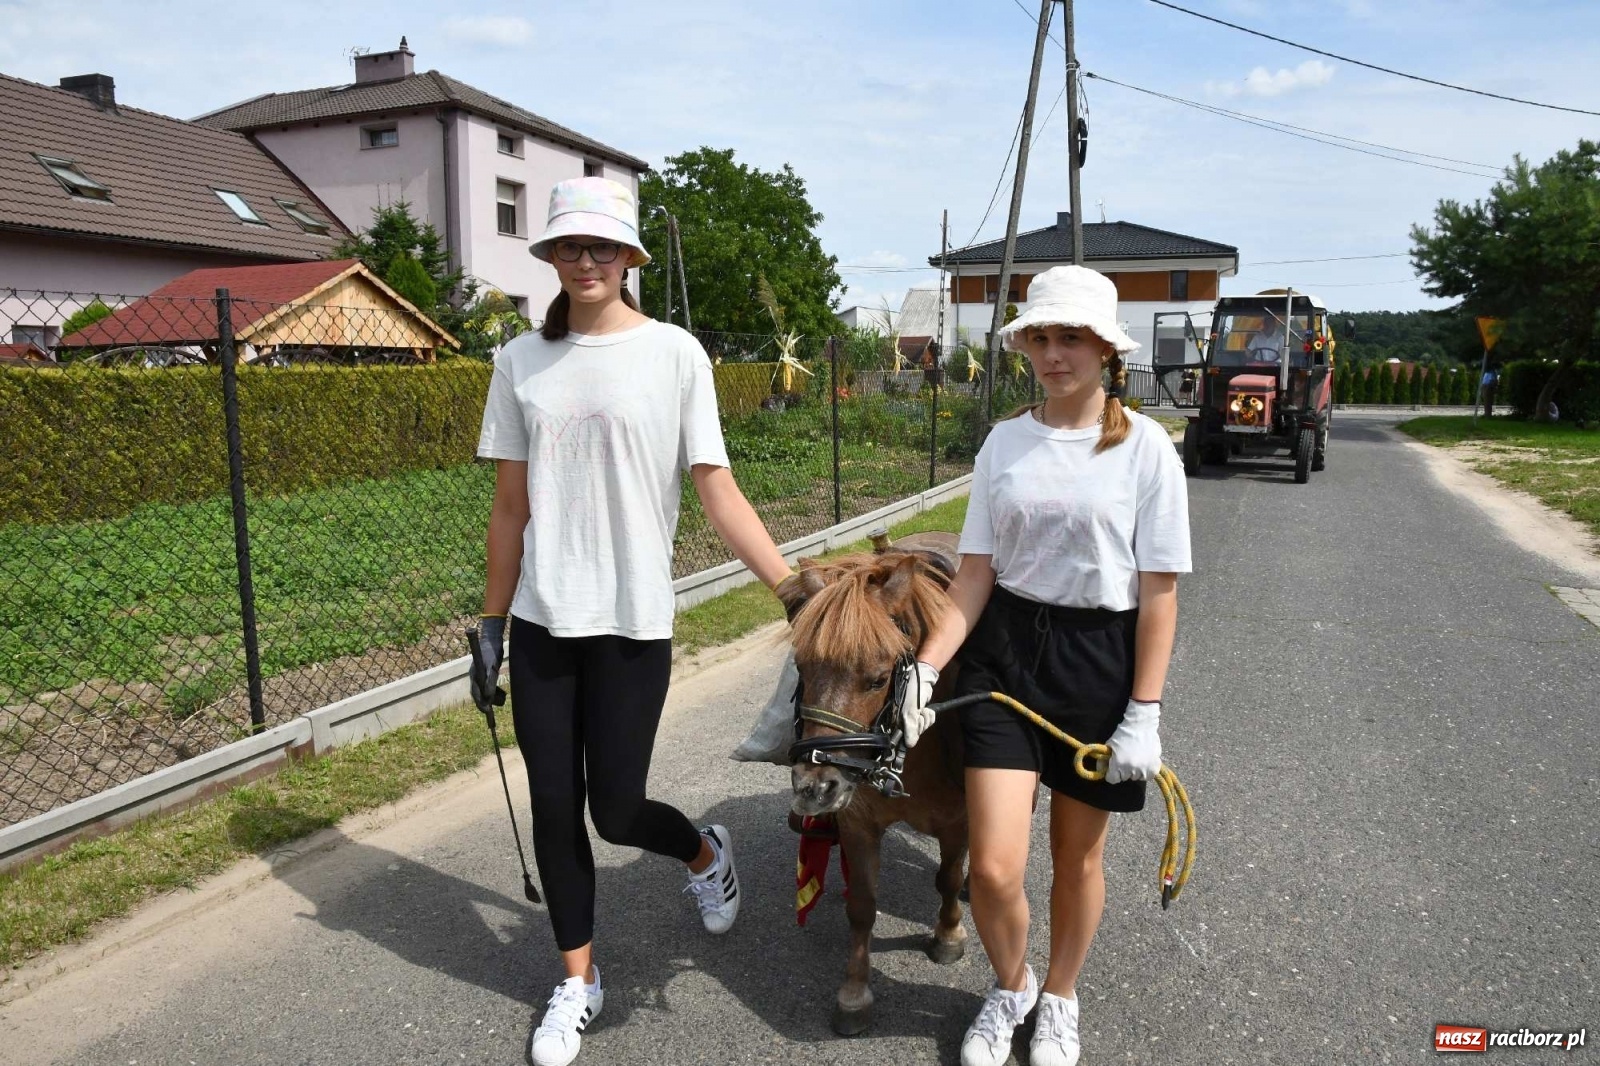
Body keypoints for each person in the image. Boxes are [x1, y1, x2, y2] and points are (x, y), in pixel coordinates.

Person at [474, 177, 797, 1066]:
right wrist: (493, 622)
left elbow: (717, 489)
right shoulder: (517, 363)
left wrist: (792, 589)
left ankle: (702, 852)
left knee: (616, 810)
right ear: (549, 258)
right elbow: (509, 508)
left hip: (631, 621)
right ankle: (577, 980)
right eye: (568, 248)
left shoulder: (675, 354)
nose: (585, 262)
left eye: (602, 248)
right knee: (553, 807)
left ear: (629, 260)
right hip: (544, 621)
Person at [897, 265, 1192, 1066]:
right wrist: (926, 670)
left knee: (1077, 856)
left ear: (1105, 348)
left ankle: (1060, 996)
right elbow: (975, 573)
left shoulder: (1148, 450)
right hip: (1004, 651)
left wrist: (1145, 711)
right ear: (1023, 344)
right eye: (1040, 337)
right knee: (991, 868)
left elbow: (1159, 594)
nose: (1054, 353)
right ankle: (1013, 983)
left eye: (1072, 337)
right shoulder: (1004, 441)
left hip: (1100, 657)